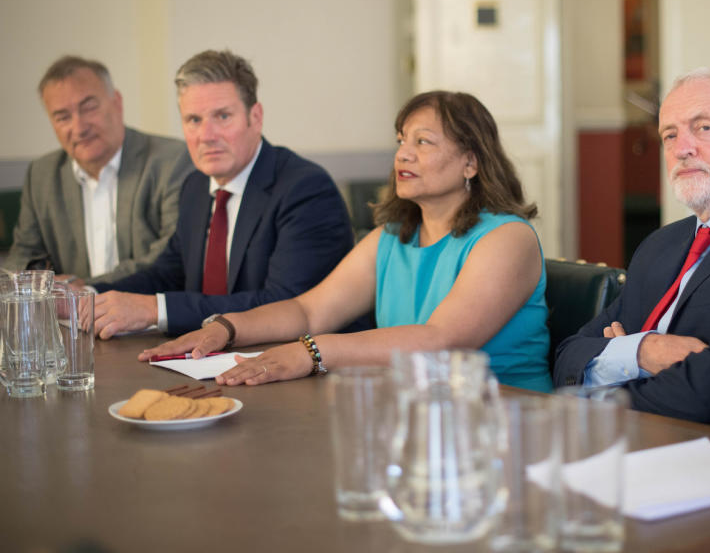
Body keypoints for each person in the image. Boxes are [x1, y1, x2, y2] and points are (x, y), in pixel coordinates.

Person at [138, 90, 552, 392]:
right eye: (400, 141)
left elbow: (441, 340)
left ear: (472, 161)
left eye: (423, 142)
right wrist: (226, 329)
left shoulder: (507, 238)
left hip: (508, 420)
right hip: (421, 418)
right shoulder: (391, 238)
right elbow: (309, 310)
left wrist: (311, 353)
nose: (403, 155)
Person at [553, 68, 710, 423]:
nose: (682, 149)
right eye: (669, 135)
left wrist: (604, 383)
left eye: (703, 128)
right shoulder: (660, 244)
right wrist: (643, 351)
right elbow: (568, 358)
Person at [91, 50, 356, 337]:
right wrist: (88, 295)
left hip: (291, 365)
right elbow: (168, 273)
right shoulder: (195, 186)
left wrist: (156, 309)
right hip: (208, 360)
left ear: (255, 118)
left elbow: (283, 306)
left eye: (223, 116)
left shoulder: (306, 190)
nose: (206, 135)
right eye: (193, 120)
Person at [4, 56, 193, 283]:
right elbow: (22, 256)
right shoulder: (42, 174)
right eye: (63, 117)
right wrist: (43, 282)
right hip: (67, 317)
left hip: (148, 314)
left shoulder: (171, 161)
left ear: (117, 102)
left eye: (89, 108)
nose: (79, 127)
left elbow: (168, 260)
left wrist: (82, 290)